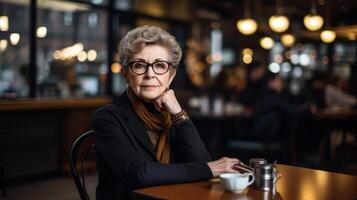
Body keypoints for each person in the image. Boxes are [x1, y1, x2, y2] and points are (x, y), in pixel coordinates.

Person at [92, 25, 240, 199]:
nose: (150, 74)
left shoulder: (172, 114)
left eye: (160, 65)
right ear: (125, 73)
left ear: (171, 75)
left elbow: (200, 162)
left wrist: (178, 113)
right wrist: (212, 169)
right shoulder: (107, 117)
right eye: (139, 65)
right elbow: (138, 173)